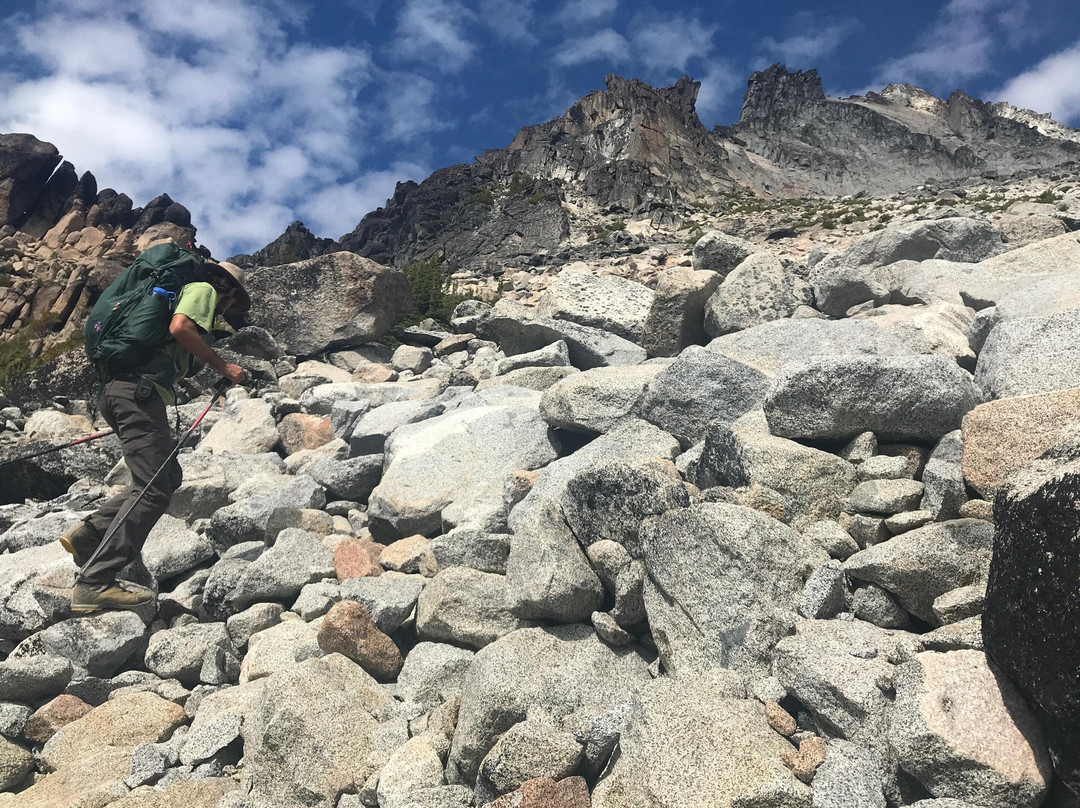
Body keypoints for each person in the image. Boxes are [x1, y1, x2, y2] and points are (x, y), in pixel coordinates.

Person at [60, 257, 251, 612]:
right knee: (154, 490)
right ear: (225, 287)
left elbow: (171, 341)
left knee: (165, 476)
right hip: (139, 393)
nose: (226, 308)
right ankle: (95, 582)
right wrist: (223, 366)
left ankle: (88, 536)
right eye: (230, 300)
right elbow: (181, 329)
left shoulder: (175, 292)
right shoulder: (204, 290)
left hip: (116, 391)